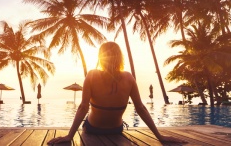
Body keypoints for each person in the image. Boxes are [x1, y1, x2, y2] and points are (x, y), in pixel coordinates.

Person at [48, 42, 186, 144]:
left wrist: (69, 136)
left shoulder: (92, 75)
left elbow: (83, 107)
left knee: (89, 115)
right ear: (120, 58)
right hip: (116, 129)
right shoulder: (129, 77)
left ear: (101, 58)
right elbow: (141, 108)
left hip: (93, 128)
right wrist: (160, 137)